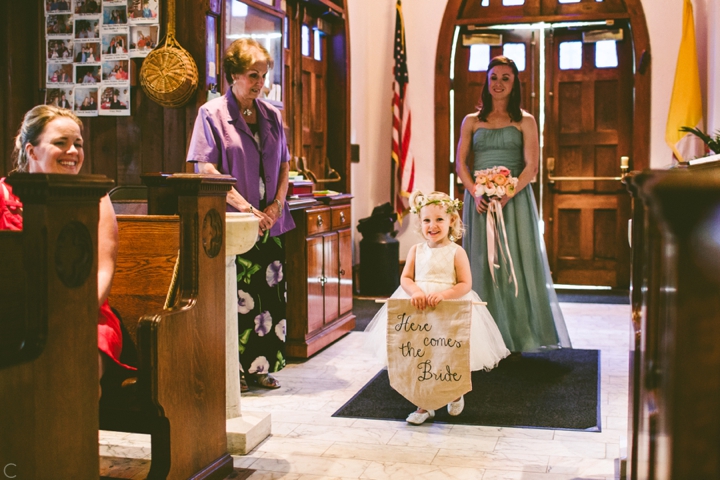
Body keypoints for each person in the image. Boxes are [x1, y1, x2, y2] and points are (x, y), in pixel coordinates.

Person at [1, 105, 136, 397]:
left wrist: (68, 312)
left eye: (78, 143)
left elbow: (103, 270)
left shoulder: (97, 198)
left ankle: (76, 441)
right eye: (60, 143)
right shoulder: (3, 195)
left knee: (75, 373)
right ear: (32, 151)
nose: (72, 151)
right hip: (15, 314)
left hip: (85, 313)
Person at [186, 38, 295, 391]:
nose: (260, 83)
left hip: (271, 222)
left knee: (269, 298)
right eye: (253, 75)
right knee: (236, 299)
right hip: (233, 224)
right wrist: (248, 209)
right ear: (233, 75)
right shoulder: (212, 113)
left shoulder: (272, 114)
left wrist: (276, 205)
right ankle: (234, 371)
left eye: (264, 75)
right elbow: (206, 168)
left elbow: (284, 165)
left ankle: (261, 367)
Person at [456, 56, 572, 354]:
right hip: (479, 203)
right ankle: (481, 336)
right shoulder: (472, 121)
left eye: (506, 78)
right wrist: (476, 193)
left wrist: (507, 193)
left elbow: (531, 166)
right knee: (481, 262)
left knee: (516, 263)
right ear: (487, 80)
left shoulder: (526, 121)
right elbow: (460, 164)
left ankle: (520, 335)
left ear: (515, 83)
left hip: (515, 202)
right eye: (494, 77)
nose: (499, 84)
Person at [364, 191, 510, 425]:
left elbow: (465, 283)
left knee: (446, 354)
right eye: (427, 220)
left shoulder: (456, 252)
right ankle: (424, 405)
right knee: (421, 355)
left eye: (439, 219)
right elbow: (406, 278)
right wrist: (417, 292)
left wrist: (443, 295)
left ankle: (453, 391)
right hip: (419, 309)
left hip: (447, 309)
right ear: (420, 223)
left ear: (452, 220)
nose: (432, 226)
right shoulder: (416, 251)